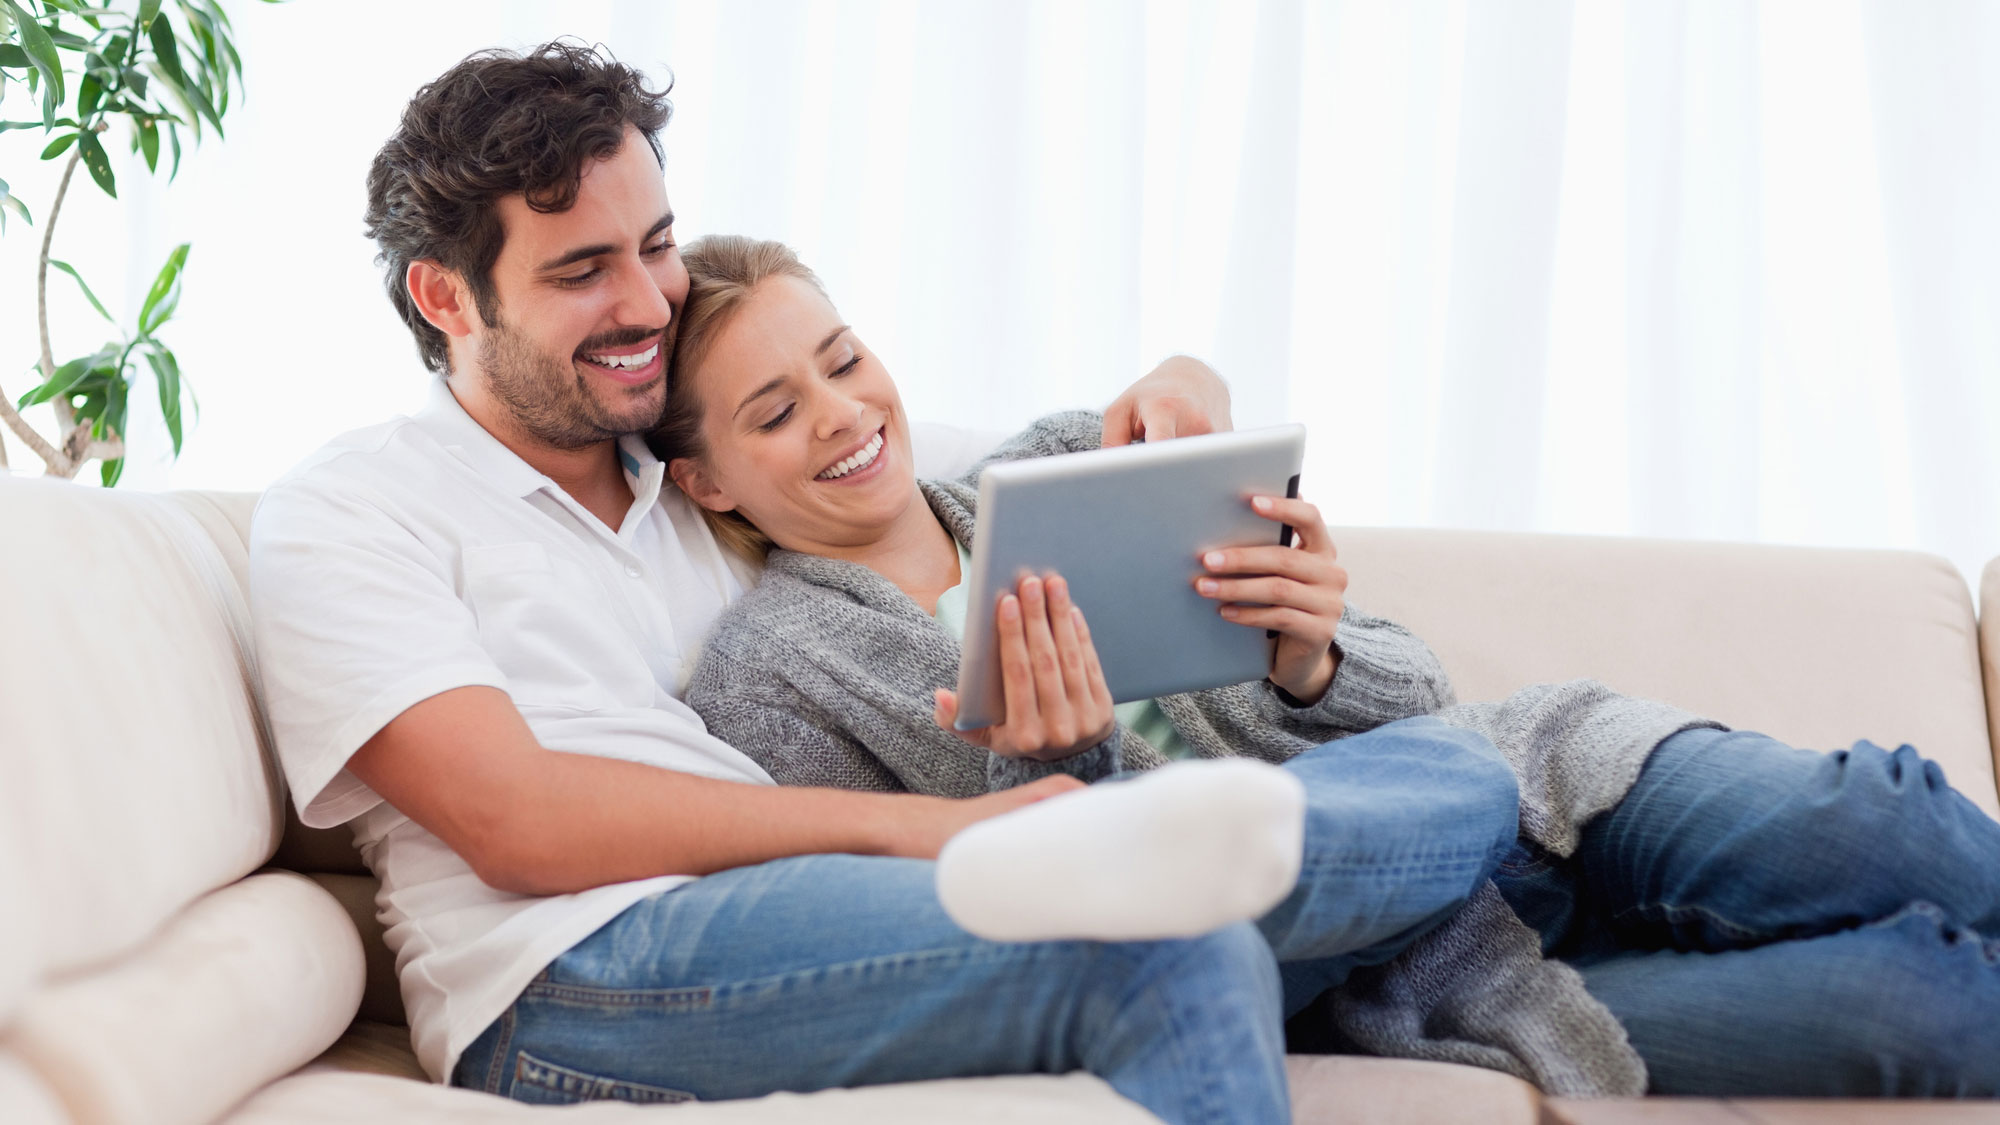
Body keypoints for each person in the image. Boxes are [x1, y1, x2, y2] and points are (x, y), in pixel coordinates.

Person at [248, 41, 1523, 1124]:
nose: (645, 301)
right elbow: (517, 825)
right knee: (1165, 931)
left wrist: (1188, 381)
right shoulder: (351, 511)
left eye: (656, 245)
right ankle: (1262, 855)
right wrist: (931, 830)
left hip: (815, 910)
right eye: (581, 272)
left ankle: (1285, 845)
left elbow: (986, 456)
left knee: (1451, 776)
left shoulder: (700, 457)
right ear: (443, 297)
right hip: (568, 972)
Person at [660, 233, 2000, 1099]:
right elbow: (936, 939)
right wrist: (1063, 769)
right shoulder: (773, 678)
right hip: (1396, 967)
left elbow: (1415, 702)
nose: (842, 413)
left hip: (1531, 789)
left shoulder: (1066, 463)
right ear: (704, 475)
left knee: (1877, 808)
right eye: (776, 411)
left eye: (842, 360)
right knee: (1924, 1005)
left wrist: (1309, 649)